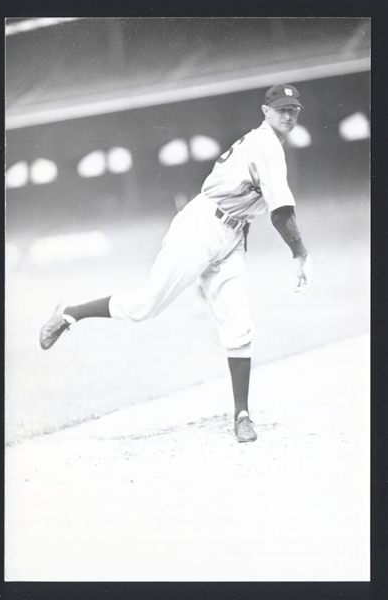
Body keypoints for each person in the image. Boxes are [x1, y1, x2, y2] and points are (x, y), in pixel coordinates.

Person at [40, 83, 313, 443]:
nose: (288, 115)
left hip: (232, 235)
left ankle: (242, 415)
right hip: (201, 227)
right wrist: (300, 253)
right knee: (144, 307)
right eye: (281, 109)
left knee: (239, 326)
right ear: (265, 112)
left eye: (293, 110)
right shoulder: (266, 146)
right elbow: (281, 213)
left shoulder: (266, 145)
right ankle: (70, 311)